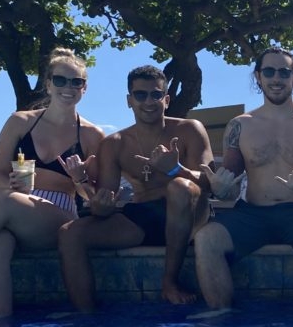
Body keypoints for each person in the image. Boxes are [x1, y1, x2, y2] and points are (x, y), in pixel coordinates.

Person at [0, 48, 104, 318]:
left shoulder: (91, 134)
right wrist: (14, 188)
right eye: (61, 80)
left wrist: (79, 180)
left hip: (58, 218)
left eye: (76, 82)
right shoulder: (20, 122)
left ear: (84, 88)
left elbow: (95, 197)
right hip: (11, 210)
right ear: (48, 83)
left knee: (4, 200)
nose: (68, 87)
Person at [192, 48, 293, 312]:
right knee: (206, 238)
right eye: (269, 72)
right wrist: (220, 188)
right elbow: (229, 186)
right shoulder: (240, 125)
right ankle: (220, 317)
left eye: (284, 72)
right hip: (252, 214)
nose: (277, 78)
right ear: (258, 77)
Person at [58, 65, 213, 310]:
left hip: (191, 216)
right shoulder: (114, 144)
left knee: (180, 187)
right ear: (129, 101)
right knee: (70, 232)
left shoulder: (189, 129)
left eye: (156, 95)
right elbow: (105, 204)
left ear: (167, 99)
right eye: (140, 95)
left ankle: (169, 282)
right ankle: (84, 319)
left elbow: (208, 182)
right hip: (143, 218)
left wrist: (176, 169)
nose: (148, 101)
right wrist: (98, 204)